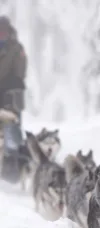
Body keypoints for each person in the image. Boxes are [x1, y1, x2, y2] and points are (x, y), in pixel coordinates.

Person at [0, 16, 28, 183]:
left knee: (11, 135)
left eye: (3, 32)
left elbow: (19, 75)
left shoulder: (16, 49)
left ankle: (12, 172)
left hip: (11, 98)